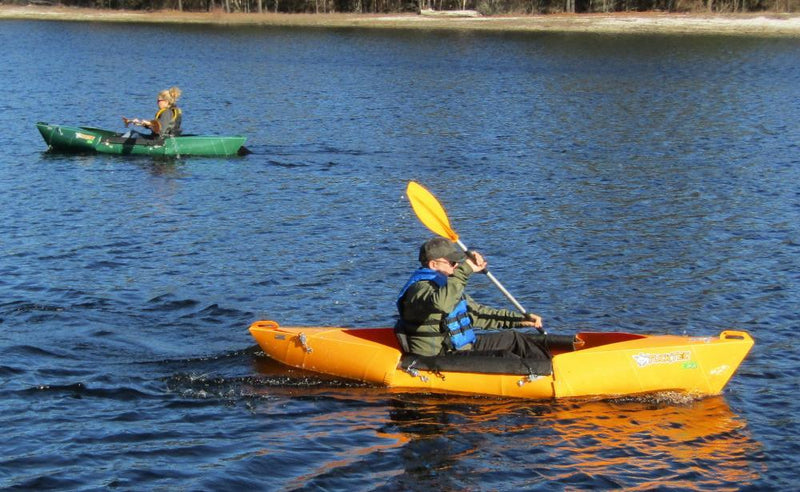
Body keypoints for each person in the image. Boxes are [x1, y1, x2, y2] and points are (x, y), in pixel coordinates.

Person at [396, 237, 549, 359]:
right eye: (452, 262)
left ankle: (551, 369)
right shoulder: (418, 290)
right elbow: (442, 304)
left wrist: (520, 320)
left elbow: (476, 314)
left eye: (457, 262)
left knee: (515, 339)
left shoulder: (447, 286)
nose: (456, 266)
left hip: (462, 348)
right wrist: (466, 269)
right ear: (433, 264)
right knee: (504, 357)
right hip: (440, 357)